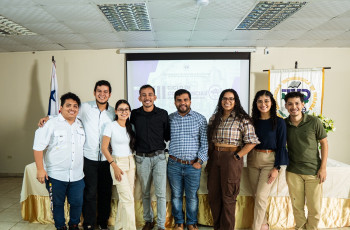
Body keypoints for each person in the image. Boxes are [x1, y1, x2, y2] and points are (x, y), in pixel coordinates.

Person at [38, 80, 115, 230]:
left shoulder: (113, 112)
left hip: (107, 159)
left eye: (105, 91)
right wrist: (48, 118)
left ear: (109, 94)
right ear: (94, 93)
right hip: (89, 158)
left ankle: (103, 222)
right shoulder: (84, 107)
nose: (102, 94)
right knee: (90, 193)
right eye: (99, 91)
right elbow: (67, 113)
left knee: (105, 193)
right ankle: (88, 224)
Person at [207, 88, 260, 230]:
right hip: (214, 158)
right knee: (214, 196)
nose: (227, 101)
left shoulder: (243, 119)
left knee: (229, 197)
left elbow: (252, 141)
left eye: (231, 99)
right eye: (224, 98)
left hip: (231, 158)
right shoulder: (214, 118)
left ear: (235, 101)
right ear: (220, 101)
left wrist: (237, 156)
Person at [33, 92, 85, 230]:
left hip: (77, 175)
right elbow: (38, 147)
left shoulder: (80, 124)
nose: (72, 108)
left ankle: (74, 225)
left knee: (77, 203)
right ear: (60, 108)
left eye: (75, 106)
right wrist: (40, 169)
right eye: (68, 105)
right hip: (55, 175)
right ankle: (60, 226)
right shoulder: (51, 124)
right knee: (57, 204)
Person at [284, 91, 328, 230]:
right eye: (290, 104)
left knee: (314, 207)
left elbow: (324, 143)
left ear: (303, 104)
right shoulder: (283, 124)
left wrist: (323, 168)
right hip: (293, 171)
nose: (294, 107)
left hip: (313, 171)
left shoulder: (314, 121)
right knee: (297, 207)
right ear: (285, 106)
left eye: (297, 103)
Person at [130, 84, 170, 230]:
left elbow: (167, 135)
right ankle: (148, 220)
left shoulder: (163, 113)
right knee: (145, 192)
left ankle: (160, 225)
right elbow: (131, 134)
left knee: (160, 193)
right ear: (139, 97)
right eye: (144, 95)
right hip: (141, 158)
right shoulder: (134, 114)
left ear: (155, 97)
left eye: (150, 94)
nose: (147, 98)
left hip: (159, 157)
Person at [248, 90, 289, 230]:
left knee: (260, 196)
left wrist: (276, 168)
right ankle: (264, 224)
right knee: (257, 196)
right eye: (259, 101)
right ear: (256, 104)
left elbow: (282, 146)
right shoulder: (251, 121)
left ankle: (256, 227)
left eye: (266, 101)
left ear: (272, 103)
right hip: (253, 159)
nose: (263, 104)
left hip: (270, 161)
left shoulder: (279, 122)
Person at [168, 89, 208, 230]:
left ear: (190, 101)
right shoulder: (170, 118)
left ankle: (191, 222)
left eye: (185, 100)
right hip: (174, 164)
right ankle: (179, 222)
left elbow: (205, 143)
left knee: (192, 196)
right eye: (179, 100)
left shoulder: (200, 119)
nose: (182, 103)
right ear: (175, 102)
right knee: (176, 195)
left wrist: (200, 161)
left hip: (193, 165)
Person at [101, 100, 137, 230]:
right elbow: (104, 148)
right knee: (127, 199)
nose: (124, 112)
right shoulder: (110, 126)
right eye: (121, 109)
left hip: (130, 162)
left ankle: (119, 226)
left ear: (129, 112)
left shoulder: (130, 127)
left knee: (125, 198)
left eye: (126, 109)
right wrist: (114, 166)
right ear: (116, 111)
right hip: (117, 163)